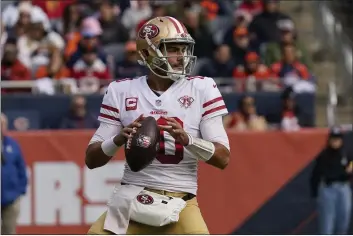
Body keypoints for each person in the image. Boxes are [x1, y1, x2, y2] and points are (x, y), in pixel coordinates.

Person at [85, 16, 230, 235]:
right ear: (147, 53)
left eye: (183, 49)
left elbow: (223, 158)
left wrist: (188, 140)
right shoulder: (121, 91)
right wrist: (117, 140)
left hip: (181, 198)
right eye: (173, 49)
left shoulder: (202, 88)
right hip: (132, 195)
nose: (181, 56)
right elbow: (91, 159)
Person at [310, 127, 353, 235]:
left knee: (344, 218)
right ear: (329, 140)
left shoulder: (346, 153)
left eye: (338, 139)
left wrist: (349, 171)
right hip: (328, 188)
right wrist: (314, 193)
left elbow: (350, 166)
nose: (336, 142)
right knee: (327, 222)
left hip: (344, 188)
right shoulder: (324, 155)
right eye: (333, 139)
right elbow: (317, 174)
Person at [1, 113, 28, 234]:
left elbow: (21, 169)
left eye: (2, 124)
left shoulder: (13, 144)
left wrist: (19, 190)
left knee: (9, 231)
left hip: (10, 197)